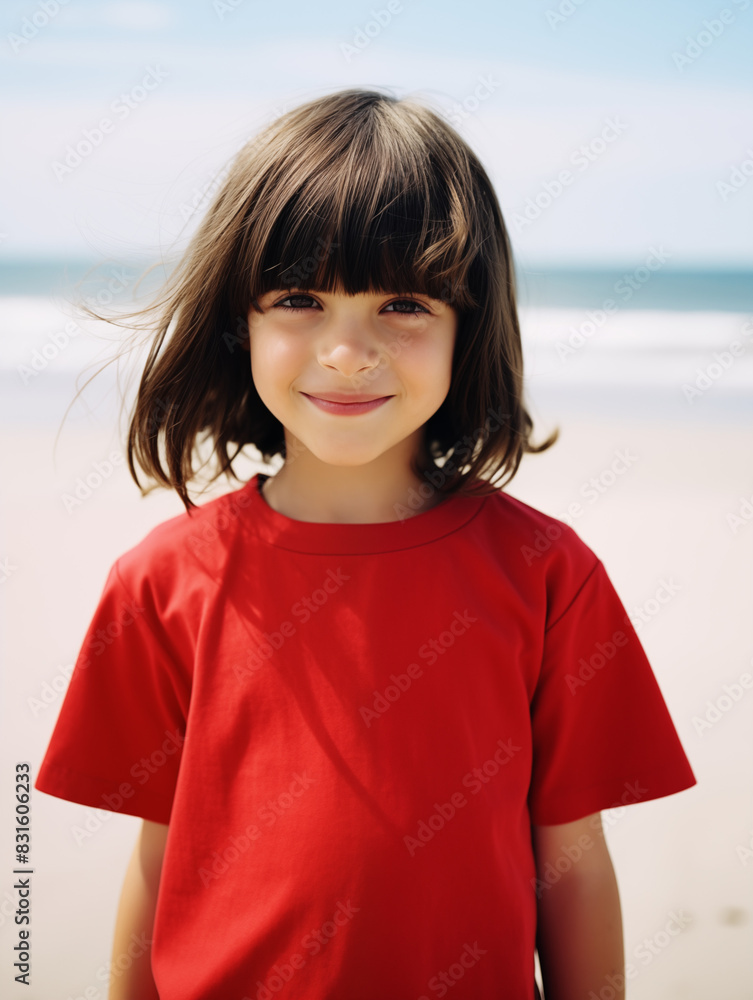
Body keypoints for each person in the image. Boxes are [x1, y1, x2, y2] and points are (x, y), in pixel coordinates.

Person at [35, 87, 697, 1000]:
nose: (347, 352)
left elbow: (572, 863)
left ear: (469, 328)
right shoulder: (160, 581)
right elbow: (161, 854)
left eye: (404, 304)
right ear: (241, 324)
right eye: (300, 298)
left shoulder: (549, 575)